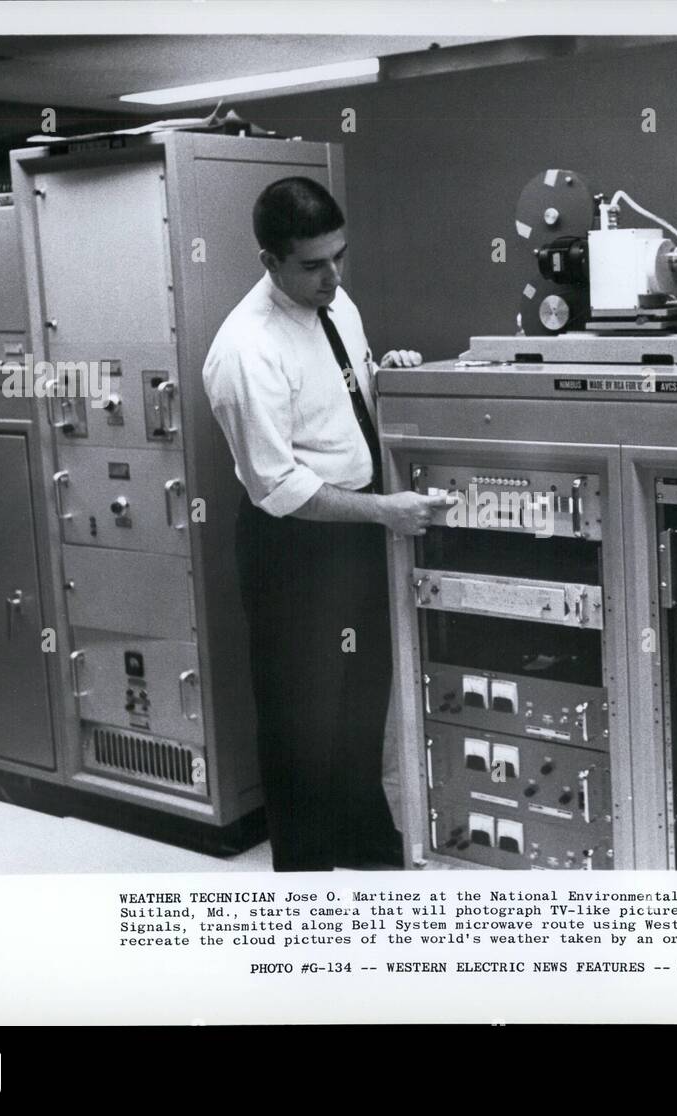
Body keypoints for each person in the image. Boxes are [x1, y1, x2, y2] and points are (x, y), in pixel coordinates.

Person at [202, 177, 453, 872]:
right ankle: (307, 875)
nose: (331, 276)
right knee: (300, 722)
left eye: (338, 257)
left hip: (358, 528)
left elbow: (342, 396)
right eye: (312, 264)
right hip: (296, 547)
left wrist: (388, 375)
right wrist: (385, 512)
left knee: (359, 700)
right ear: (269, 262)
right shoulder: (245, 351)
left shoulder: (336, 303)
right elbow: (278, 485)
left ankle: (363, 842)